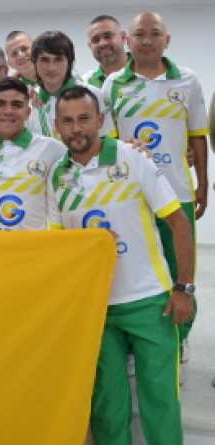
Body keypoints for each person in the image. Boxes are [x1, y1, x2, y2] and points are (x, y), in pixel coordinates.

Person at [49, 85, 194, 445]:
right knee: (108, 407)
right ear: (57, 127)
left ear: (100, 120)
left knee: (160, 402)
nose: (76, 128)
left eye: (84, 118)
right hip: (96, 309)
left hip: (150, 302)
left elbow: (179, 222)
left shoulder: (132, 158)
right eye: (67, 121)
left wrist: (183, 288)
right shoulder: (57, 175)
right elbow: (57, 246)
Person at [102, 12, 209, 352]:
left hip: (177, 192)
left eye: (154, 33)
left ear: (167, 39)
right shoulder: (113, 84)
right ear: (126, 40)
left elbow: (198, 137)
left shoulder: (188, 81)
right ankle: (144, 344)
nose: (146, 40)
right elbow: (108, 144)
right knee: (141, 271)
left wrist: (202, 183)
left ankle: (178, 343)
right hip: (131, 198)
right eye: (139, 34)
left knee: (181, 272)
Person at [0, 77, 65, 230]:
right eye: (0, 104)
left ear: (28, 112)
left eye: (16, 105)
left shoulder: (53, 150)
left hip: (34, 251)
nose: (8, 111)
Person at [31, 30, 112, 139]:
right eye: (44, 60)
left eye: (58, 59)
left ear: (69, 62)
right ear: (34, 62)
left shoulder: (93, 95)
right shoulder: (28, 102)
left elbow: (109, 140)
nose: (51, 67)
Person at [84, 15, 130, 88]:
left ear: (123, 38)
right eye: (95, 40)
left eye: (108, 36)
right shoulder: (86, 84)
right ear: (90, 46)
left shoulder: (149, 72)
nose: (102, 43)